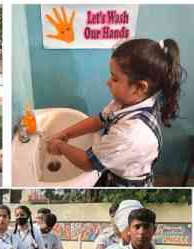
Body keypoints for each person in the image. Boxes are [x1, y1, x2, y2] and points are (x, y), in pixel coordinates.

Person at [45, 39, 185, 187]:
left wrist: (60, 147)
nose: (108, 82)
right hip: (116, 165)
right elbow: (97, 121)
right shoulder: (127, 101)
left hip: (125, 184)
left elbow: (88, 163)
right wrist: (65, 134)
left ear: (139, 87)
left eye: (115, 78)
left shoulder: (131, 134)